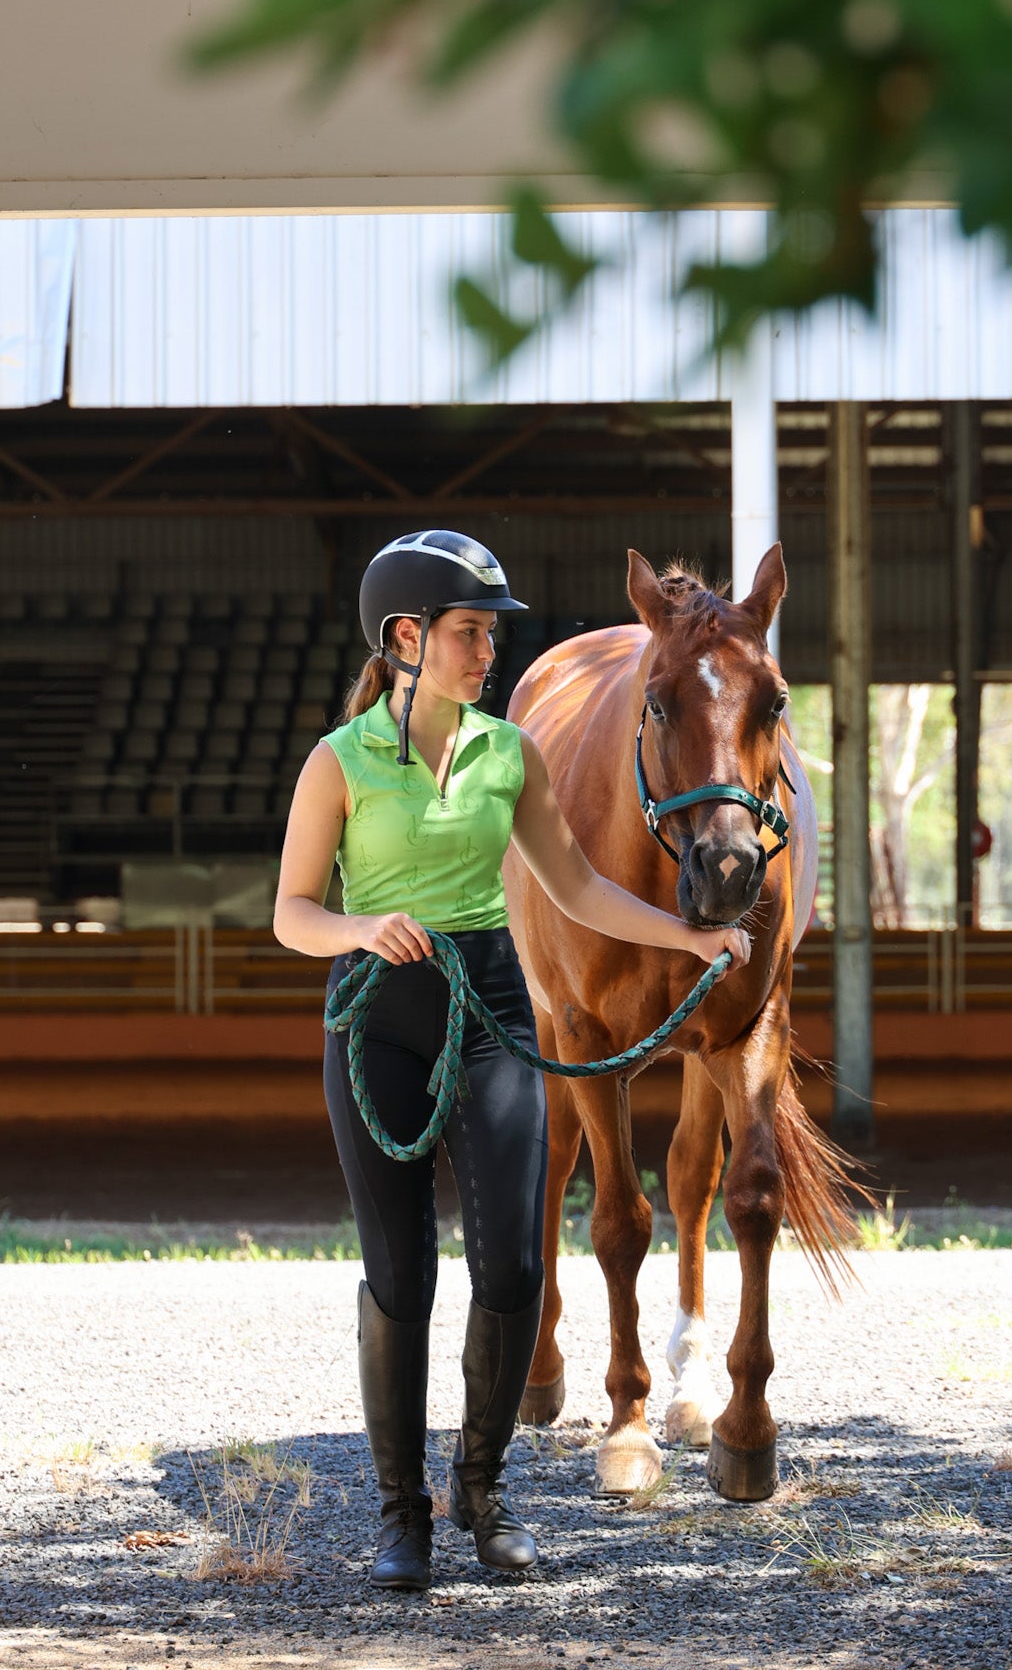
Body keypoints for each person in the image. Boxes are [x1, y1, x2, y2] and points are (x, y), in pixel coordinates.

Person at [274, 530, 749, 1591]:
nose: (488, 650)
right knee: (402, 1277)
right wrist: (359, 928)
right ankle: (404, 1518)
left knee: (519, 1268)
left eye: (491, 632)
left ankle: (481, 1495)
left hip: (489, 1005)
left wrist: (691, 937)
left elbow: (576, 886)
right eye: (468, 632)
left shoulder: (508, 752)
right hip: (378, 1016)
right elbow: (292, 914)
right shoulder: (338, 761)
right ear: (407, 637)